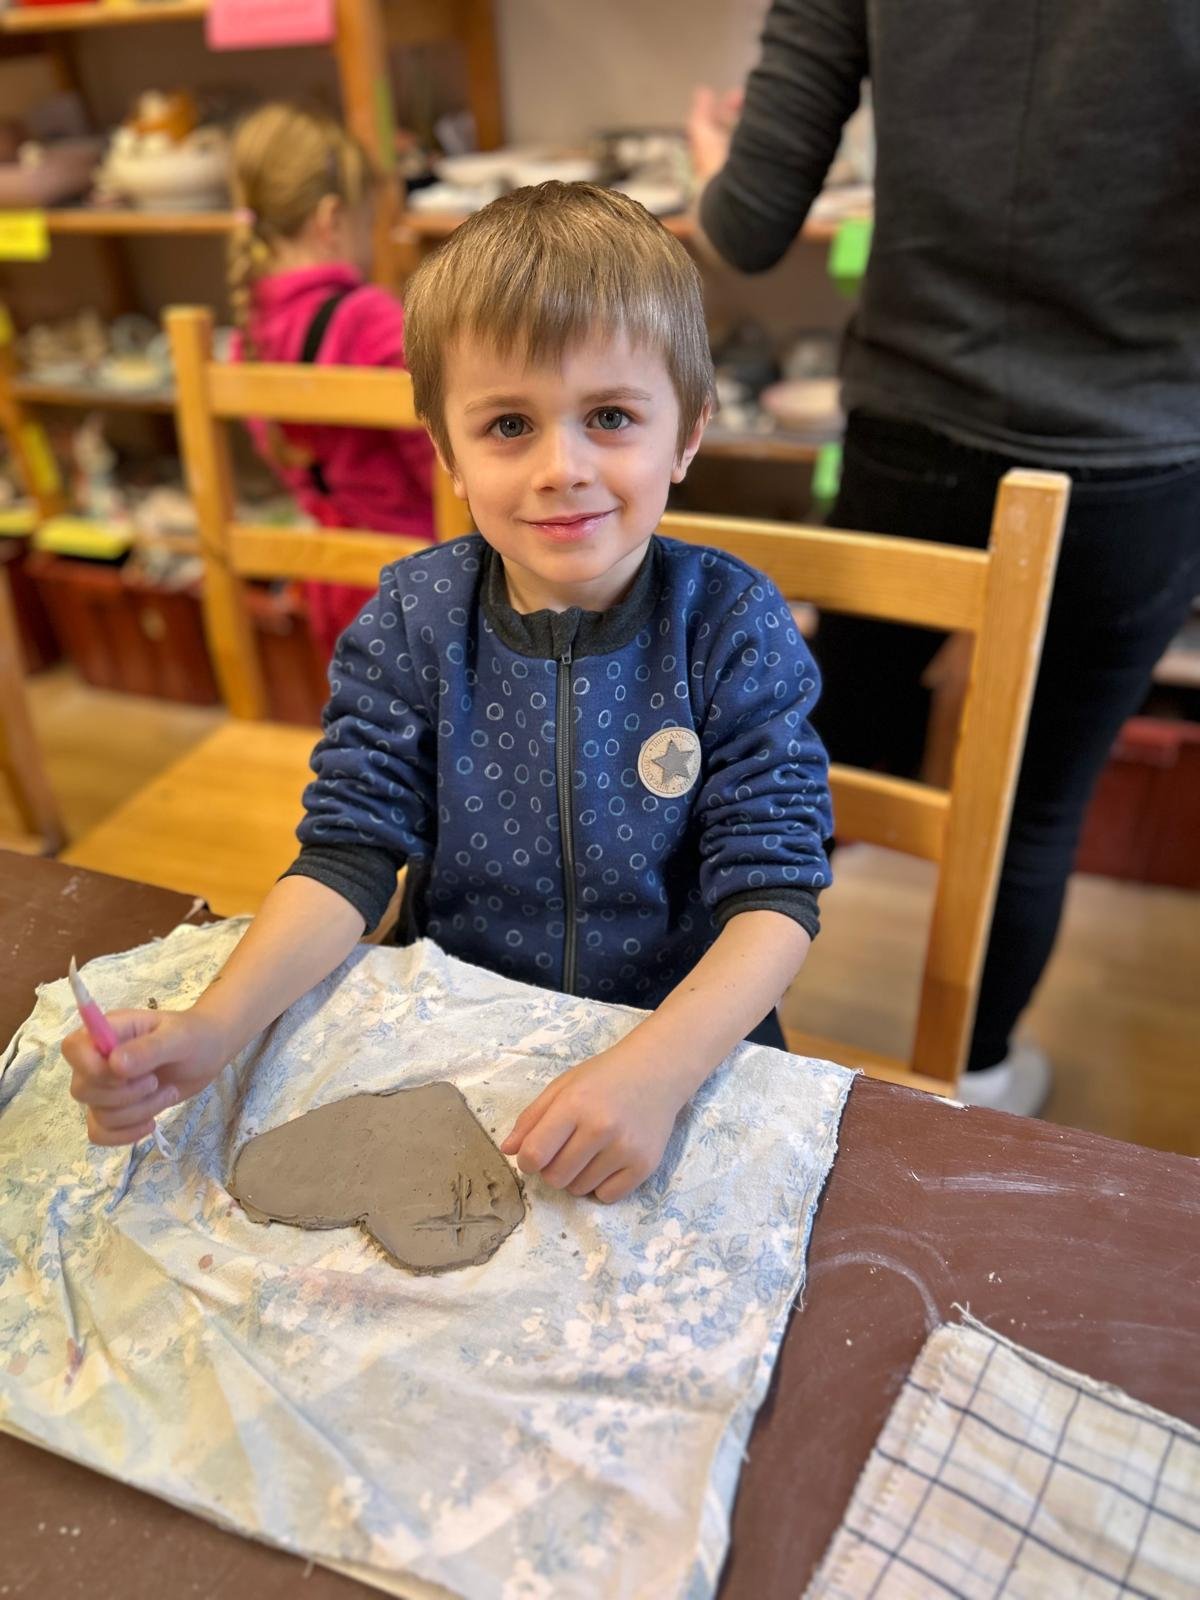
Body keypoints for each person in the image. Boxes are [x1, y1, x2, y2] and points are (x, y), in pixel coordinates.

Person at [65, 183, 833, 1203]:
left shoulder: (729, 623)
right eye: (509, 424)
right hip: (456, 1029)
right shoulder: (413, 619)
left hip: (679, 1042)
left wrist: (656, 1070)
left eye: (611, 416)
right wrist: (213, 1027)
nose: (562, 468)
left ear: (688, 432)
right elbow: (345, 857)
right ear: (447, 453)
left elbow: (775, 896)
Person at [690, 1, 1200, 1115]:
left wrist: (711, 157)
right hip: (1137, 448)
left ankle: (687, 1012)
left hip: (912, 426)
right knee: (1036, 800)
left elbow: (747, 225)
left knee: (825, 749)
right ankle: (980, 1077)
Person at [227, 102, 435, 659]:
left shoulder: (247, 334)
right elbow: (441, 468)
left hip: (334, 590)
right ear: (330, 220)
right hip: (426, 593)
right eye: (366, 223)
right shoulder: (369, 319)